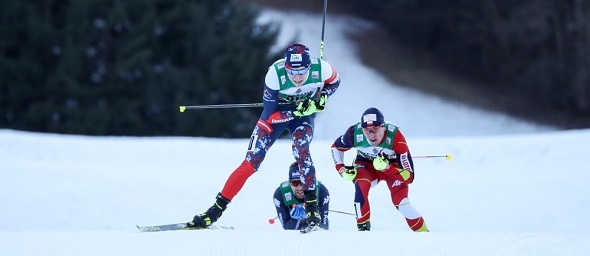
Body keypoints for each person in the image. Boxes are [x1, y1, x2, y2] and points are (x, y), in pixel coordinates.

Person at [189, 43, 340, 232]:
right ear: (286, 67)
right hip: (277, 116)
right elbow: (270, 115)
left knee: (301, 151)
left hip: (304, 116)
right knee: (251, 162)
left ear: (310, 66)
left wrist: (323, 96)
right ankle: (215, 211)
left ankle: (312, 209)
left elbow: (335, 82)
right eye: (292, 71)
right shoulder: (275, 75)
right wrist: (296, 110)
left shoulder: (322, 68)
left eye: (302, 71)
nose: (297, 77)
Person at [330, 107, 429, 232]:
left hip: (393, 166)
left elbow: (410, 176)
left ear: (383, 127)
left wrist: (387, 168)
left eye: (375, 130)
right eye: (367, 130)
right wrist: (341, 169)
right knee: (361, 186)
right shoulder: (354, 132)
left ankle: (426, 236)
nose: (371, 135)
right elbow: (335, 147)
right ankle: (363, 232)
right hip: (366, 165)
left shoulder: (396, 137)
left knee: (402, 203)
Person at [273, 162, 330, 230]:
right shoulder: (280, 195)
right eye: (295, 183)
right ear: (289, 183)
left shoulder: (321, 191)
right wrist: (296, 219)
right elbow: (286, 227)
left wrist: (310, 216)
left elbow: (324, 227)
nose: (300, 188)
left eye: (303, 183)